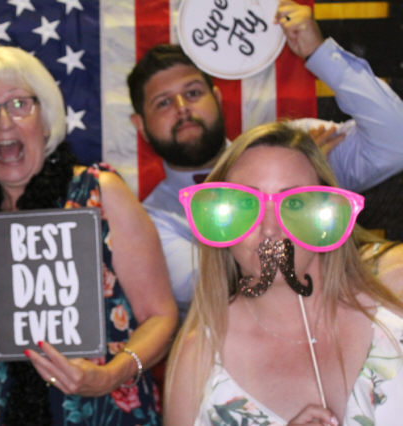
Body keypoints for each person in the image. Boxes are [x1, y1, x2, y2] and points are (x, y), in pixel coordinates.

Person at [128, 0, 403, 319]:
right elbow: (217, 285)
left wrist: (318, 53)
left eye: (192, 93)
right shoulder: (150, 223)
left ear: (217, 98)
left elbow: (395, 139)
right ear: (140, 126)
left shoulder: (297, 147)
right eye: (163, 103)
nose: (182, 108)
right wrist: (305, 191)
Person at [0, 45, 178, 425]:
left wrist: (112, 374)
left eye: (19, 104)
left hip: (102, 410)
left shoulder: (99, 193)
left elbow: (162, 317)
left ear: (45, 120)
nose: (3, 122)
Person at [164, 122, 403, 425]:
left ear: (326, 214)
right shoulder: (198, 359)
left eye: (295, 203)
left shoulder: (393, 310)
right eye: (246, 205)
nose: (270, 229)